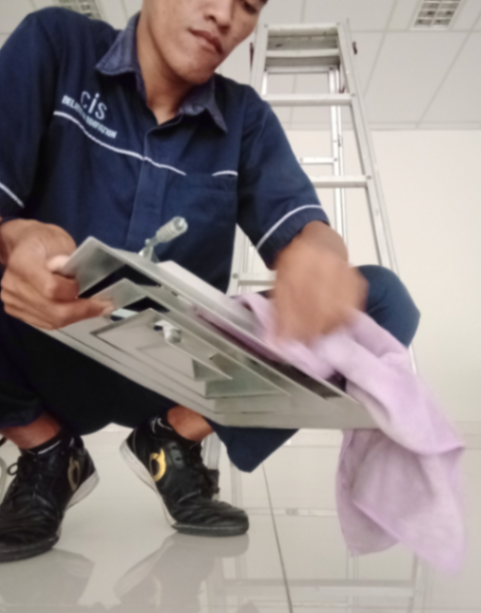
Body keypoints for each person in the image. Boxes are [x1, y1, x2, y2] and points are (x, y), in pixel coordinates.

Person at [0, 0, 420, 563]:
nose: (225, 14)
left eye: (248, 5)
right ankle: (46, 451)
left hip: (178, 372)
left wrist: (319, 261)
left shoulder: (245, 118)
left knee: (383, 302)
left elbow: (306, 231)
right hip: (37, 345)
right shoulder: (55, 44)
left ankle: (171, 441)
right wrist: (15, 238)